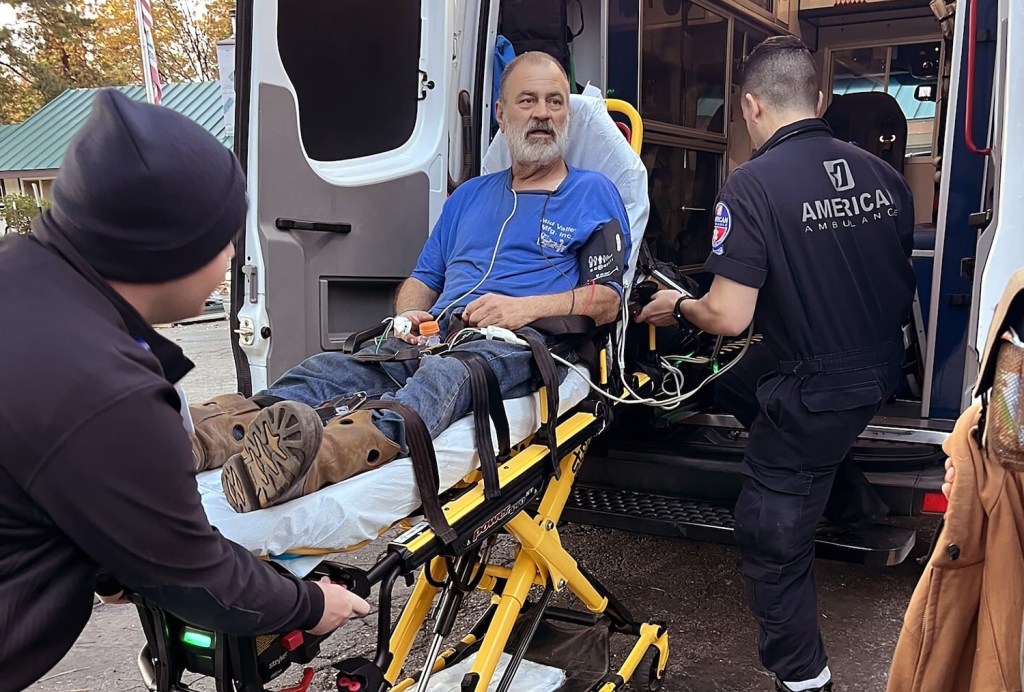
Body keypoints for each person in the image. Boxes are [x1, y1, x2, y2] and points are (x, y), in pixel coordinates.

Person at [0, 90, 369, 692]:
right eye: (222, 238)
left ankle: (220, 441)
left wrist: (109, 554)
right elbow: (196, 576)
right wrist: (310, 603)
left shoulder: (21, 275)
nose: (231, 257)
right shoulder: (105, 391)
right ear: (166, 246)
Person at [190, 51, 632, 514]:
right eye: (528, 100)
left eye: (555, 102)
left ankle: (312, 461)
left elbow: (607, 301)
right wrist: (406, 316)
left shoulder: (593, 192)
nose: (543, 113)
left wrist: (526, 308)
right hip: (436, 336)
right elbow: (424, 277)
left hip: (513, 345)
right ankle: (212, 434)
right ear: (501, 115)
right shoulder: (469, 197)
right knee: (326, 369)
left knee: (448, 374)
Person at [638, 36, 915, 692]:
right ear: (819, 99)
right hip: (876, 374)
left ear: (750, 106)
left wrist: (679, 306)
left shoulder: (750, 186)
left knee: (771, 539)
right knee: (734, 375)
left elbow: (729, 316)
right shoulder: (887, 179)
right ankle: (851, 498)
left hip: (816, 392)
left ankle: (805, 681)